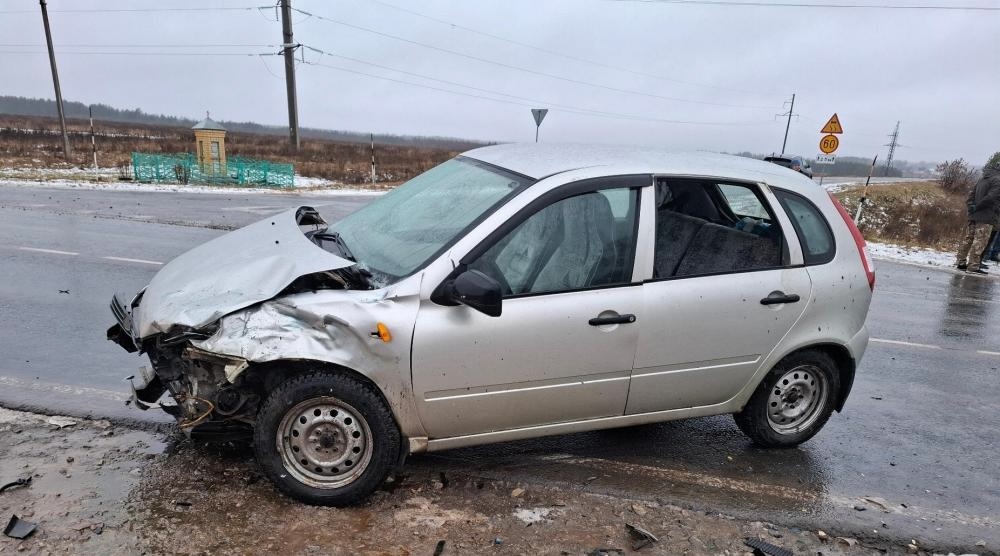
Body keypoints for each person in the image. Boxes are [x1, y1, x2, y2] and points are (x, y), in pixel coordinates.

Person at [956, 152, 1000, 274]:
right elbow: (991, 197)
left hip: (973, 216)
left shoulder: (982, 179)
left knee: (968, 240)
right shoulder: (997, 181)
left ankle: (961, 262)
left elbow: (971, 195)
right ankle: (973, 266)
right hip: (986, 217)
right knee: (980, 241)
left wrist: (971, 207)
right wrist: (978, 207)